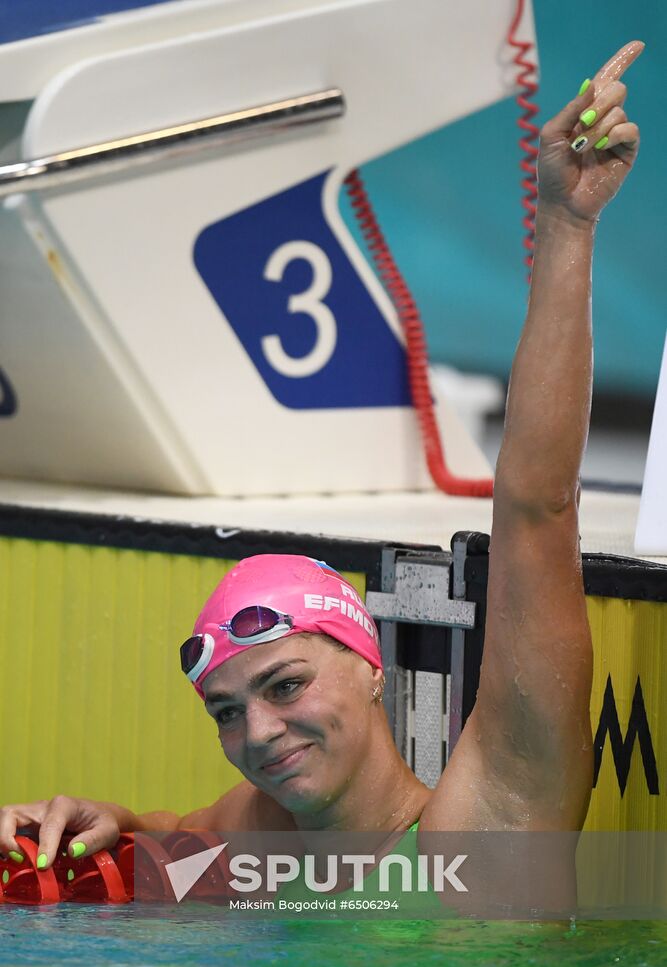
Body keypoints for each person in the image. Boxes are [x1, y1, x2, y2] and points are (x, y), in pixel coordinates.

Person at [0, 41, 644, 872]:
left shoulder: (489, 834)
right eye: (226, 713)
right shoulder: (256, 849)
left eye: (285, 686)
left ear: (370, 667)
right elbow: (155, 837)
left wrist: (564, 224)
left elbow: (537, 502)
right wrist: (104, 823)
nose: (257, 734)